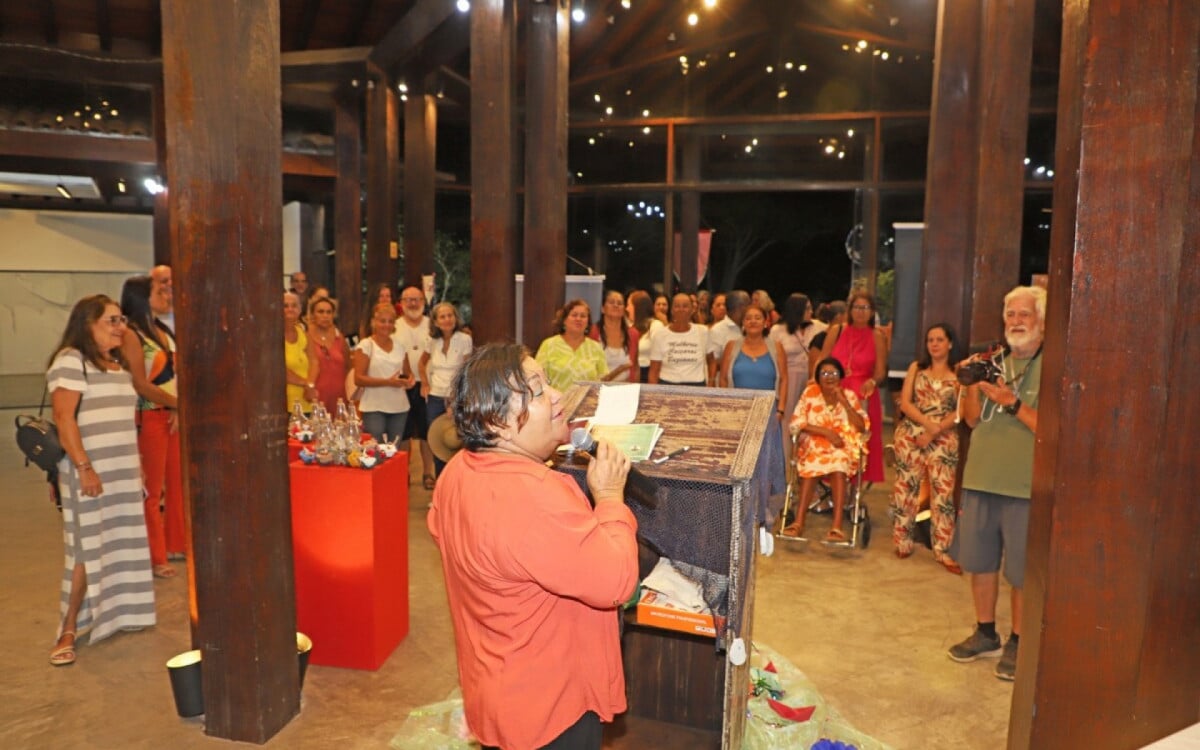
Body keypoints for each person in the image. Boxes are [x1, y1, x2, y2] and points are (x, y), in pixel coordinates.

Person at [427, 343, 638, 750]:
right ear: (499, 423)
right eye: (538, 390)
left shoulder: (458, 471)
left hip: (496, 685)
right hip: (549, 707)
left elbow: (439, 526)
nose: (557, 395)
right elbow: (618, 581)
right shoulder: (531, 496)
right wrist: (610, 497)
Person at [46, 294, 156, 666]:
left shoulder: (115, 364)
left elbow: (126, 424)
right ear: (87, 324)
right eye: (111, 320)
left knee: (120, 541)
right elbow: (64, 418)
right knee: (86, 550)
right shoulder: (70, 362)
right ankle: (68, 628)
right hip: (89, 473)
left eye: (122, 320)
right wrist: (83, 468)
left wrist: (136, 465)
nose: (120, 327)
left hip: (121, 471)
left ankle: (121, 612)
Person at [947, 286, 1045, 683]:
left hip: (1025, 485)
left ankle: (1020, 640)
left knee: (1021, 571)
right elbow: (971, 420)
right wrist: (970, 381)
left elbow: (1051, 429)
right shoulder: (993, 363)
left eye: (1024, 314)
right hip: (982, 478)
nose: (1016, 321)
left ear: (1041, 321)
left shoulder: (1054, 365)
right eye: (1010, 315)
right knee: (980, 561)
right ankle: (986, 631)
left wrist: (1012, 402)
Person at [120, 276, 183, 579]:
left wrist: (176, 406)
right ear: (142, 298)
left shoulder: (161, 330)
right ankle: (156, 555)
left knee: (176, 482)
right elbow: (138, 383)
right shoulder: (131, 334)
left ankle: (175, 543)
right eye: (160, 291)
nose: (167, 295)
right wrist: (174, 403)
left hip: (170, 413)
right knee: (152, 490)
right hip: (149, 416)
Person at [889, 323, 963, 573]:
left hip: (944, 438)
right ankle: (903, 541)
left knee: (943, 496)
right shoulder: (917, 368)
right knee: (905, 489)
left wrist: (936, 429)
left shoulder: (959, 372)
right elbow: (906, 404)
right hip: (912, 434)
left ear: (950, 343)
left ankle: (942, 550)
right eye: (930, 339)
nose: (934, 344)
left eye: (940, 339)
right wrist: (926, 426)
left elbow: (962, 409)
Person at [782, 357, 869, 543]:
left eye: (834, 373)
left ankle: (836, 526)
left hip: (841, 447)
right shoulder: (809, 394)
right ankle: (798, 522)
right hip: (814, 445)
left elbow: (861, 427)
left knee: (839, 464)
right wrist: (825, 432)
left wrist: (844, 402)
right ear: (818, 377)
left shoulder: (849, 396)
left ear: (841, 376)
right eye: (825, 373)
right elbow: (796, 423)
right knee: (813, 463)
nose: (829, 377)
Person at [820, 291, 887, 484]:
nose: (860, 312)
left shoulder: (877, 336)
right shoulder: (837, 330)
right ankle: (831, 489)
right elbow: (823, 360)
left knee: (859, 445)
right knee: (832, 442)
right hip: (835, 392)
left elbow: (880, 371)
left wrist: (872, 381)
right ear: (849, 310)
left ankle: (853, 496)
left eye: (865, 308)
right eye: (857, 307)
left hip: (862, 396)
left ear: (872, 312)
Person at [419, 302, 473, 479]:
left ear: (455, 318)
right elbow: (421, 363)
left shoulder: (465, 339)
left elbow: (466, 371)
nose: (447, 319)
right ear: (435, 321)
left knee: (457, 441)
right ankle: (440, 486)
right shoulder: (431, 341)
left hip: (457, 397)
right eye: (442, 316)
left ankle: (458, 484)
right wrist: (425, 384)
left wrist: (455, 400)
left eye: (450, 315)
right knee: (437, 443)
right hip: (434, 397)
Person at [353, 302, 414, 443]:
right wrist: (388, 382)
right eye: (382, 321)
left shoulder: (400, 346)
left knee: (394, 450)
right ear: (374, 322)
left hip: (399, 406)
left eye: (390, 321)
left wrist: (408, 382)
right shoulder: (366, 345)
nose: (386, 325)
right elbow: (358, 379)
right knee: (374, 449)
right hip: (374, 406)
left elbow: (408, 374)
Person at [394, 286, 436, 488]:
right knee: (404, 432)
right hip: (402, 385)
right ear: (401, 303)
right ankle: (403, 472)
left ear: (423, 301)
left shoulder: (432, 325)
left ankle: (428, 473)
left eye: (417, 299)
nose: (413, 303)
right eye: (408, 299)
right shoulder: (394, 326)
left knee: (426, 432)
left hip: (428, 386)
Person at [535, 299, 611, 391]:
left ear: (587, 322)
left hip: (587, 404)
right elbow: (537, 378)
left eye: (583, 316)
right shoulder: (549, 345)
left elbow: (604, 380)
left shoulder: (595, 348)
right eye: (574, 315)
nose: (578, 319)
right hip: (556, 403)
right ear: (564, 320)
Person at [769, 293, 816, 424]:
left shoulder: (815, 328)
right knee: (788, 415)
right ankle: (785, 444)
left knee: (807, 415)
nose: (811, 312)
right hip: (788, 377)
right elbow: (773, 357)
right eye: (807, 308)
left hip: (809, 378)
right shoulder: (778, 330)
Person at [648, 293, 709, 386]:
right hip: (667, 386)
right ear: (672, 310)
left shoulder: (703, 331)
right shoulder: (660, 334)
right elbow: (654, 371)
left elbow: (712, 361)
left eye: (685, 306)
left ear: (692, 309)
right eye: (677, 306)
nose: (681, 310)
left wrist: (711, 382)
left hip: (696, 386)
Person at [306, 295, 350, 414]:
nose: (325, 315)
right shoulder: (305, 336)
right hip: (315, 397)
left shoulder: (339, 337)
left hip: (339, 397)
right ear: (312, 315)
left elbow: (348, 365)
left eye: (329, 312)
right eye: (320, 312)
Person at [588, 289, 638, 383]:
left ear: (624, 309)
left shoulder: (633, 334)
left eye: (620, 303)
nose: (616, 305)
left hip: (626, 389)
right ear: (603, 308)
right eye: (611, 302)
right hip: (598, 389)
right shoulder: (593, 332)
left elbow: (635, 367)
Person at [284, 291, 319, 413]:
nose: (290, 309)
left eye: (294, 306)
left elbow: (314, 361)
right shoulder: (273, 337)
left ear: (300, 310)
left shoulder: (304, 334)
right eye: (285, 306)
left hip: (307, 400)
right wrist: (307, 385)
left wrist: (310, 385)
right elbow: (280, 370)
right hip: (285, 403)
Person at [708, 290, 749, 385]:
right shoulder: (718, 330)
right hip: (726, 385)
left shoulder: (748, 327)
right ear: (740, 307)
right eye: (748, 305)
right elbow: (713, 362)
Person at [627, 290, 664, 383]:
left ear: (638, 307)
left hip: (650, 373)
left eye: (629, 305)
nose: (627, 309)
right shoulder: (630, 328)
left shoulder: (655, 325)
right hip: (632, 373)